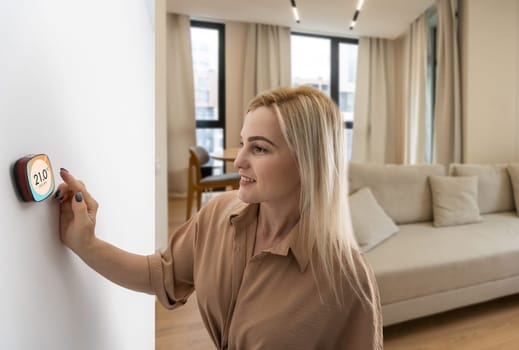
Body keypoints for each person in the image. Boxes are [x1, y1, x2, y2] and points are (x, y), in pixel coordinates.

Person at [54, 86, 383, 349]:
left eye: (259, 148)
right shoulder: (217, 214)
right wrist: (85, 243)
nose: (239, 160)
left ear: (307, 163)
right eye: (242, 143)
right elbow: (159, 275)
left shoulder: (348, 277)